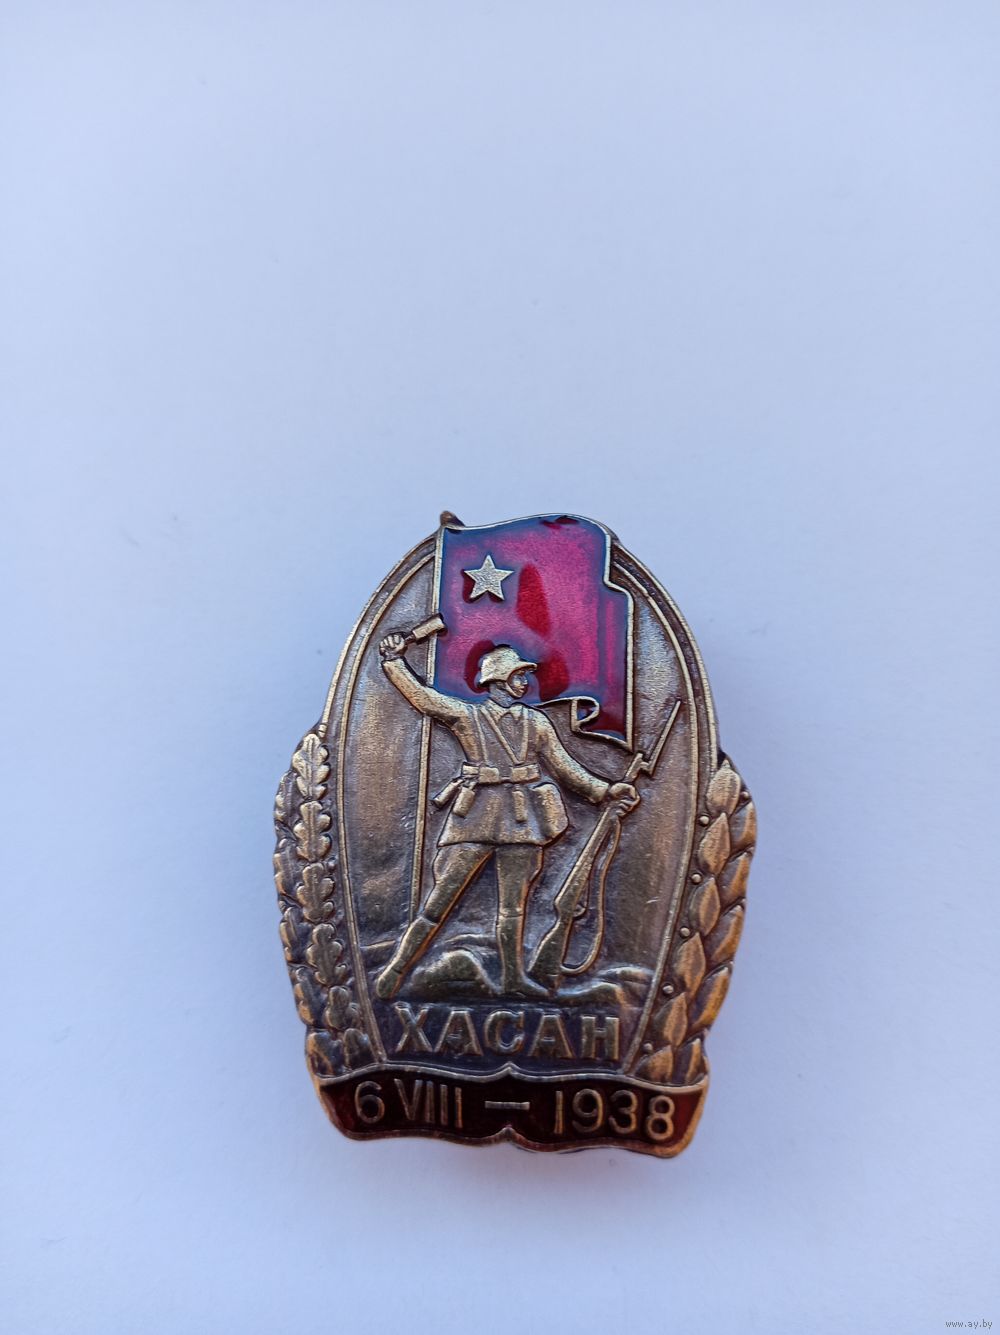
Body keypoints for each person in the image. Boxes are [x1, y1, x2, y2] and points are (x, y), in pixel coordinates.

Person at [375, 634, 638, 999]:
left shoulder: (536, 722)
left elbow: (565, 767)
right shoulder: (467, 715)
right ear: (498, 680)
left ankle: (512, 979)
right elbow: (423, 699)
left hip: (522, 820)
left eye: (524, 675)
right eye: (518, 675)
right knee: (438, 902)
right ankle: (397, 969)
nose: (525, 681)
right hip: (475, 817)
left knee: (513, 908)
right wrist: (393, 662)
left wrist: (605, 790)